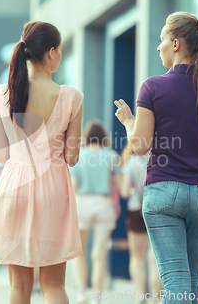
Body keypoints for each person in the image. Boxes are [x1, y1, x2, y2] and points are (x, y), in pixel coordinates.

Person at [114, 11, 198, 304]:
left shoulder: (153, 88)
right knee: (189, 283)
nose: (158, 47)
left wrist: (130, 122)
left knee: (176, 281)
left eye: (162, 40)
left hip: (163, 194)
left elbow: (140, 145)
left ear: (177, 44)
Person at [0, 20, 84, 304]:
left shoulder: (1, 94)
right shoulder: (71, 97)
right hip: (53, 190)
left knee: (18, 288)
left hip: (14, 187)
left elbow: (0, 155)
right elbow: (72, 157)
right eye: (62, 50)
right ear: (52, 52)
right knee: (53, 284)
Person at [69, 120, 119, 304]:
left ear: (87, 136)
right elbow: (119, 186)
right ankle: (97, 297)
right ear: (103, 136)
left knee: (79, 252)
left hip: (83, 202)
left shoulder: (80, 156)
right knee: (99, 254)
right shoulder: (112, 156)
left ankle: (81, 293)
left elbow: (74, 185)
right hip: (104, 203)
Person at [119, 144, 161, 304]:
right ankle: (155, 298)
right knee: (155, 257)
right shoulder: (159, 160)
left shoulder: (131, 162)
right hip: (157, 210)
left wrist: (132, 191)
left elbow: (124, 191)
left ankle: (139, 296)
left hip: (136, 210)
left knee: (137, 257)